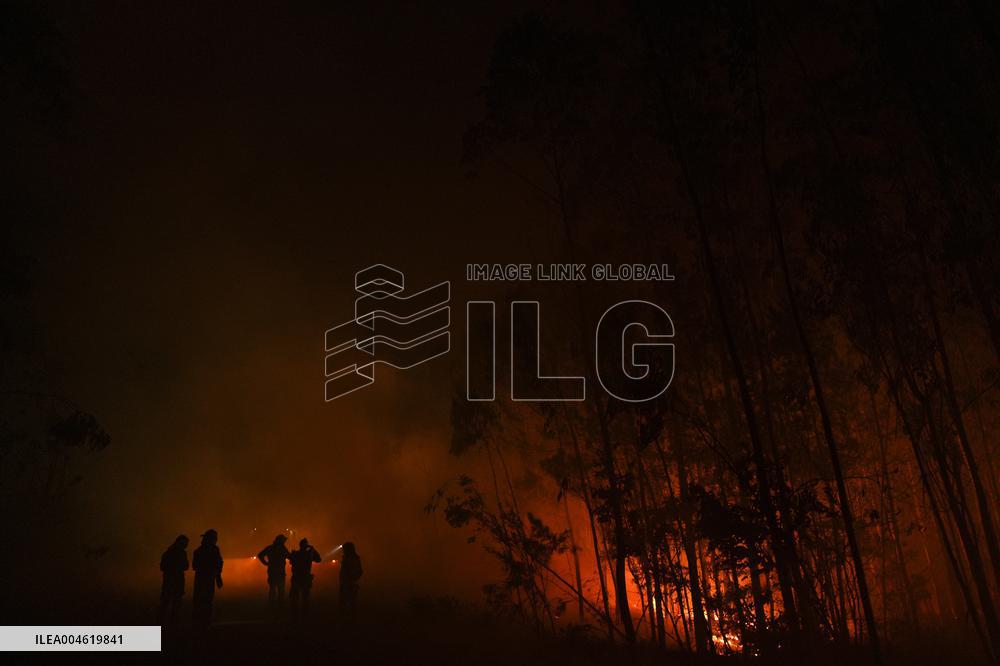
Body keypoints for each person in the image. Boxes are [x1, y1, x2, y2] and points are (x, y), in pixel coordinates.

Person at [192, 529, 223, 631]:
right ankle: (203, 620)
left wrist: (217, 576)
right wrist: (217, 576)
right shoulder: (212, 550)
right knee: (205, 599)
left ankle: (201, 620)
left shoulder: (200, 550)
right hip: (206, 578)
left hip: (204, 578)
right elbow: (218, 563)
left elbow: (195, 566)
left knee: (203, 599)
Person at [158, 534, 189, 625]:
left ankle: (164, 622)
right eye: (185, 543)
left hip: (171, 581)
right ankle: (171, 622)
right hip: (175, 581)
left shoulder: (169, 552)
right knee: (173, 603)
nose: (186, 545)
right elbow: (186, 566)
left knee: (167, 603)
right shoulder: (180, 553)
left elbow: (162, 567)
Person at [288, 538, 322, 616]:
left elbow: (291, 562)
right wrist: (313, 550)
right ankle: (304, 614)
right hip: (305, 577)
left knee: (295, 597)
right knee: (305, 597)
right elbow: (319, 559)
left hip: (296, 577)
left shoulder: (296, 553)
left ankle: (294, 614)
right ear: (306, 546)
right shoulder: (308, 554)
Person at [257, 534, 290, 606]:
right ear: (280, 541)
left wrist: (265, 563)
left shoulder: (270, 548)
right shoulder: (282, 548)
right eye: (283, 540)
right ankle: (279, 606)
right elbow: (289, 556)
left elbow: (260, 555)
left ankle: (272, 605)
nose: (284, 542)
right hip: (280, 571)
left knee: (272, 589)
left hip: (272, 571)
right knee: (280, 589)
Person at [338, 542, 362, 615]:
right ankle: (351, 618)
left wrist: (351, 578)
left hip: (348, 583)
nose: (343, 550)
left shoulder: (350, 559)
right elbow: (360, 571)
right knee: (351, 602)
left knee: (346, 602)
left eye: (344, 549)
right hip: (349, 583)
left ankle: (348, 619)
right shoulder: (354, 558)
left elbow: (358, 571)